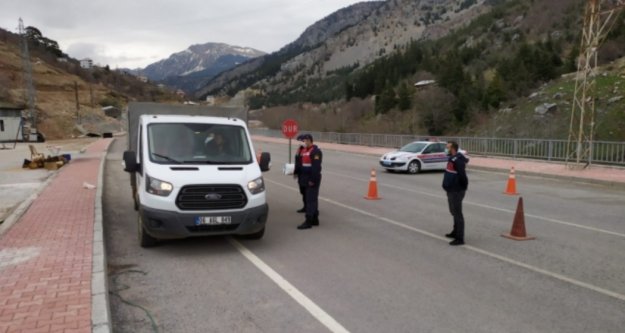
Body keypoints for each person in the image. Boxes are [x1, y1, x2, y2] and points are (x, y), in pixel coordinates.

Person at [442, 140, 469, 246]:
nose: (445, 149)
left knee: (458, 214)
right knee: (453, 211)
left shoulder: (457, 160)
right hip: (451, 189)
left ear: (452, 148)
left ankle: (460, 238)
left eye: (447, 147)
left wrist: (462, 188)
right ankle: (455, 232)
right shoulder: (452, 158)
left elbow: (463, 176)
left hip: (456, 190)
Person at [295, 134, 322, 230]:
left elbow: (316, 168)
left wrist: (312, 180)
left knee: (311, 199)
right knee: (310, 199)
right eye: (302, 141)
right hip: (304, 178)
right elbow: (299, 162)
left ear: (310, 140)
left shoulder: (315, 151)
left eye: (305, 141)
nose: (303, 143)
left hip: (311, 179)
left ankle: (308, 221)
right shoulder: (303, 150)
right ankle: (315, 219)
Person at [293, 135, 307, 213]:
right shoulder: (299, 149)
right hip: (300, 174)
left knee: (306, 192)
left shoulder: (307, 150)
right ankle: (305, 206)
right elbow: (297, 162)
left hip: (305, 174)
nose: (299, 143)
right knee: (302, 191)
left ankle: (308, 207)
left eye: (301, 141)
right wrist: (295, 172)